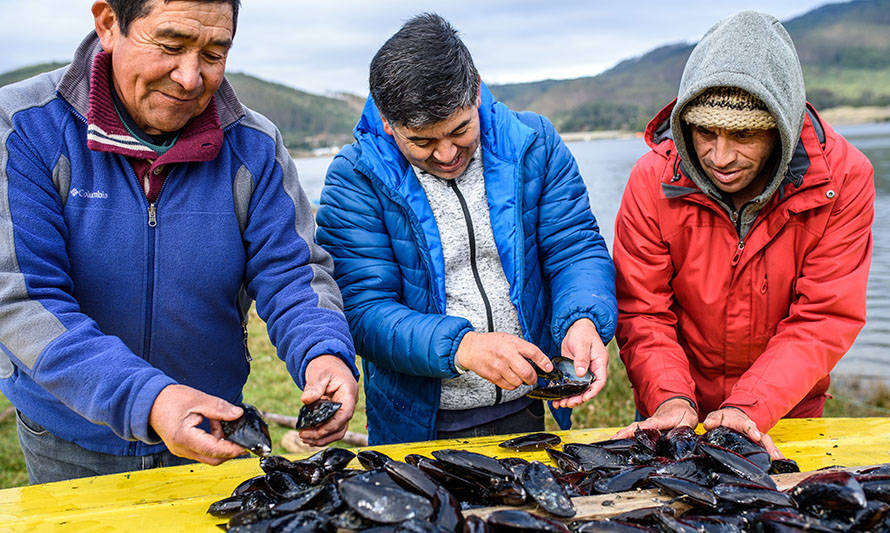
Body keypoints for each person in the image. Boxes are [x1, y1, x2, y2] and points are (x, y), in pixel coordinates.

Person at [0, 0, 359, 484]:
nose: (191, 78)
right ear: (108, 24)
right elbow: (22, 297)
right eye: (171, 46)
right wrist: (149, 400)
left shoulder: (255, 144)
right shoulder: (23, 127)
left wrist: (323, 351)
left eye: (214, 53)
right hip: (70, 438)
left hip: (215, 431)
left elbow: (292, 273)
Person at [316, 13, 617, 445]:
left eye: (460, 130)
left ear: (475, 90)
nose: (446, 153)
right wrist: (462, 347)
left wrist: (583, 318)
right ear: (387, 122)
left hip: (524, 404)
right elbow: (363, 310)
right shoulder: (355, 176)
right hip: (416, 421)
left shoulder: (535, 142)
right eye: (421, 142)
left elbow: (575, 248)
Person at [612, 11, 874, 457]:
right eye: (704, 131)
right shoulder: (651, 179)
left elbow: (824, 316)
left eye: (744, 135)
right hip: (670, 414)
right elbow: (643, 310)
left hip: (784, 413)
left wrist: (751, 407)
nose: (721, 156)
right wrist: (670, 397)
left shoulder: (844, 179)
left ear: (781, 126)